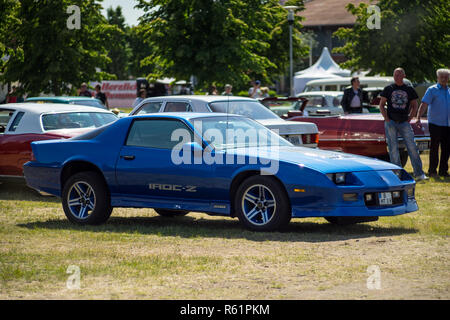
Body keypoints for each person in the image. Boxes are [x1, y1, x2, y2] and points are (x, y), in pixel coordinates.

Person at [379, 67, 427, 181]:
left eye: (399, 74)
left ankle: (419, 174)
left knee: (412, 147)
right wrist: (386, 118)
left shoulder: (409, 89)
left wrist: (410, 117)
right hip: (391, 122)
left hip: (404, 122)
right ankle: (397, 174)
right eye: (395, 75)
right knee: (393, 148)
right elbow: (381, 104)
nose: (397, 77)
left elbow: (415, 104)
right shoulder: (388, 88)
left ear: (404, 76)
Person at [417, 68, 450, 178]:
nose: (444, 79)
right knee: (434, 148)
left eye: (446, 77)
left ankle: (443, 171)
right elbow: (424, 104)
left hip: (447, 124)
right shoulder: (432, 89)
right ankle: (432, 171)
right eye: (442, 77)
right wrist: (418, 117)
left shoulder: (449, 91)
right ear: (438, 78)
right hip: (435, 123)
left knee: (446, 148)